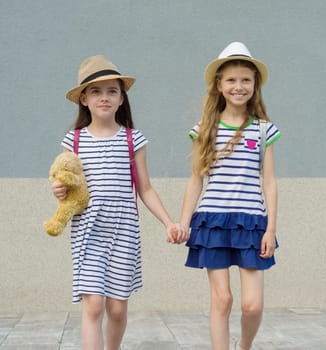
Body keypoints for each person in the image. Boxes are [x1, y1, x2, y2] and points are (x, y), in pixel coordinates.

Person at [51, 55, 186, 350]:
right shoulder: (72, 141)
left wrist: (168, 222)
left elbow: (145, 188)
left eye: (112, 91)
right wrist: (58, 190)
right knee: (93, 306)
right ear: (83, 99)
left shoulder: (132, 139)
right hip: (88, 231)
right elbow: (65, 182)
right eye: (96, 91)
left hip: (124, 232)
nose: (104, 97)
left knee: (116, 310)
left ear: (122, 98)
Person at [179, 42, 281, 350]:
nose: (239, 86)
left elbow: (270, 181)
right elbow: (195, 180)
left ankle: (244, 346)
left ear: (255, 85)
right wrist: (184, 222)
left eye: (245, 80)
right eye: (232, 80)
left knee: (252, 305)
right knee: (222, 299)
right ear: (220, 86)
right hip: (212, 222)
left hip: (251, 224)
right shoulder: (204, 130)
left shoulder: (263, 129)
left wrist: (271, 228)